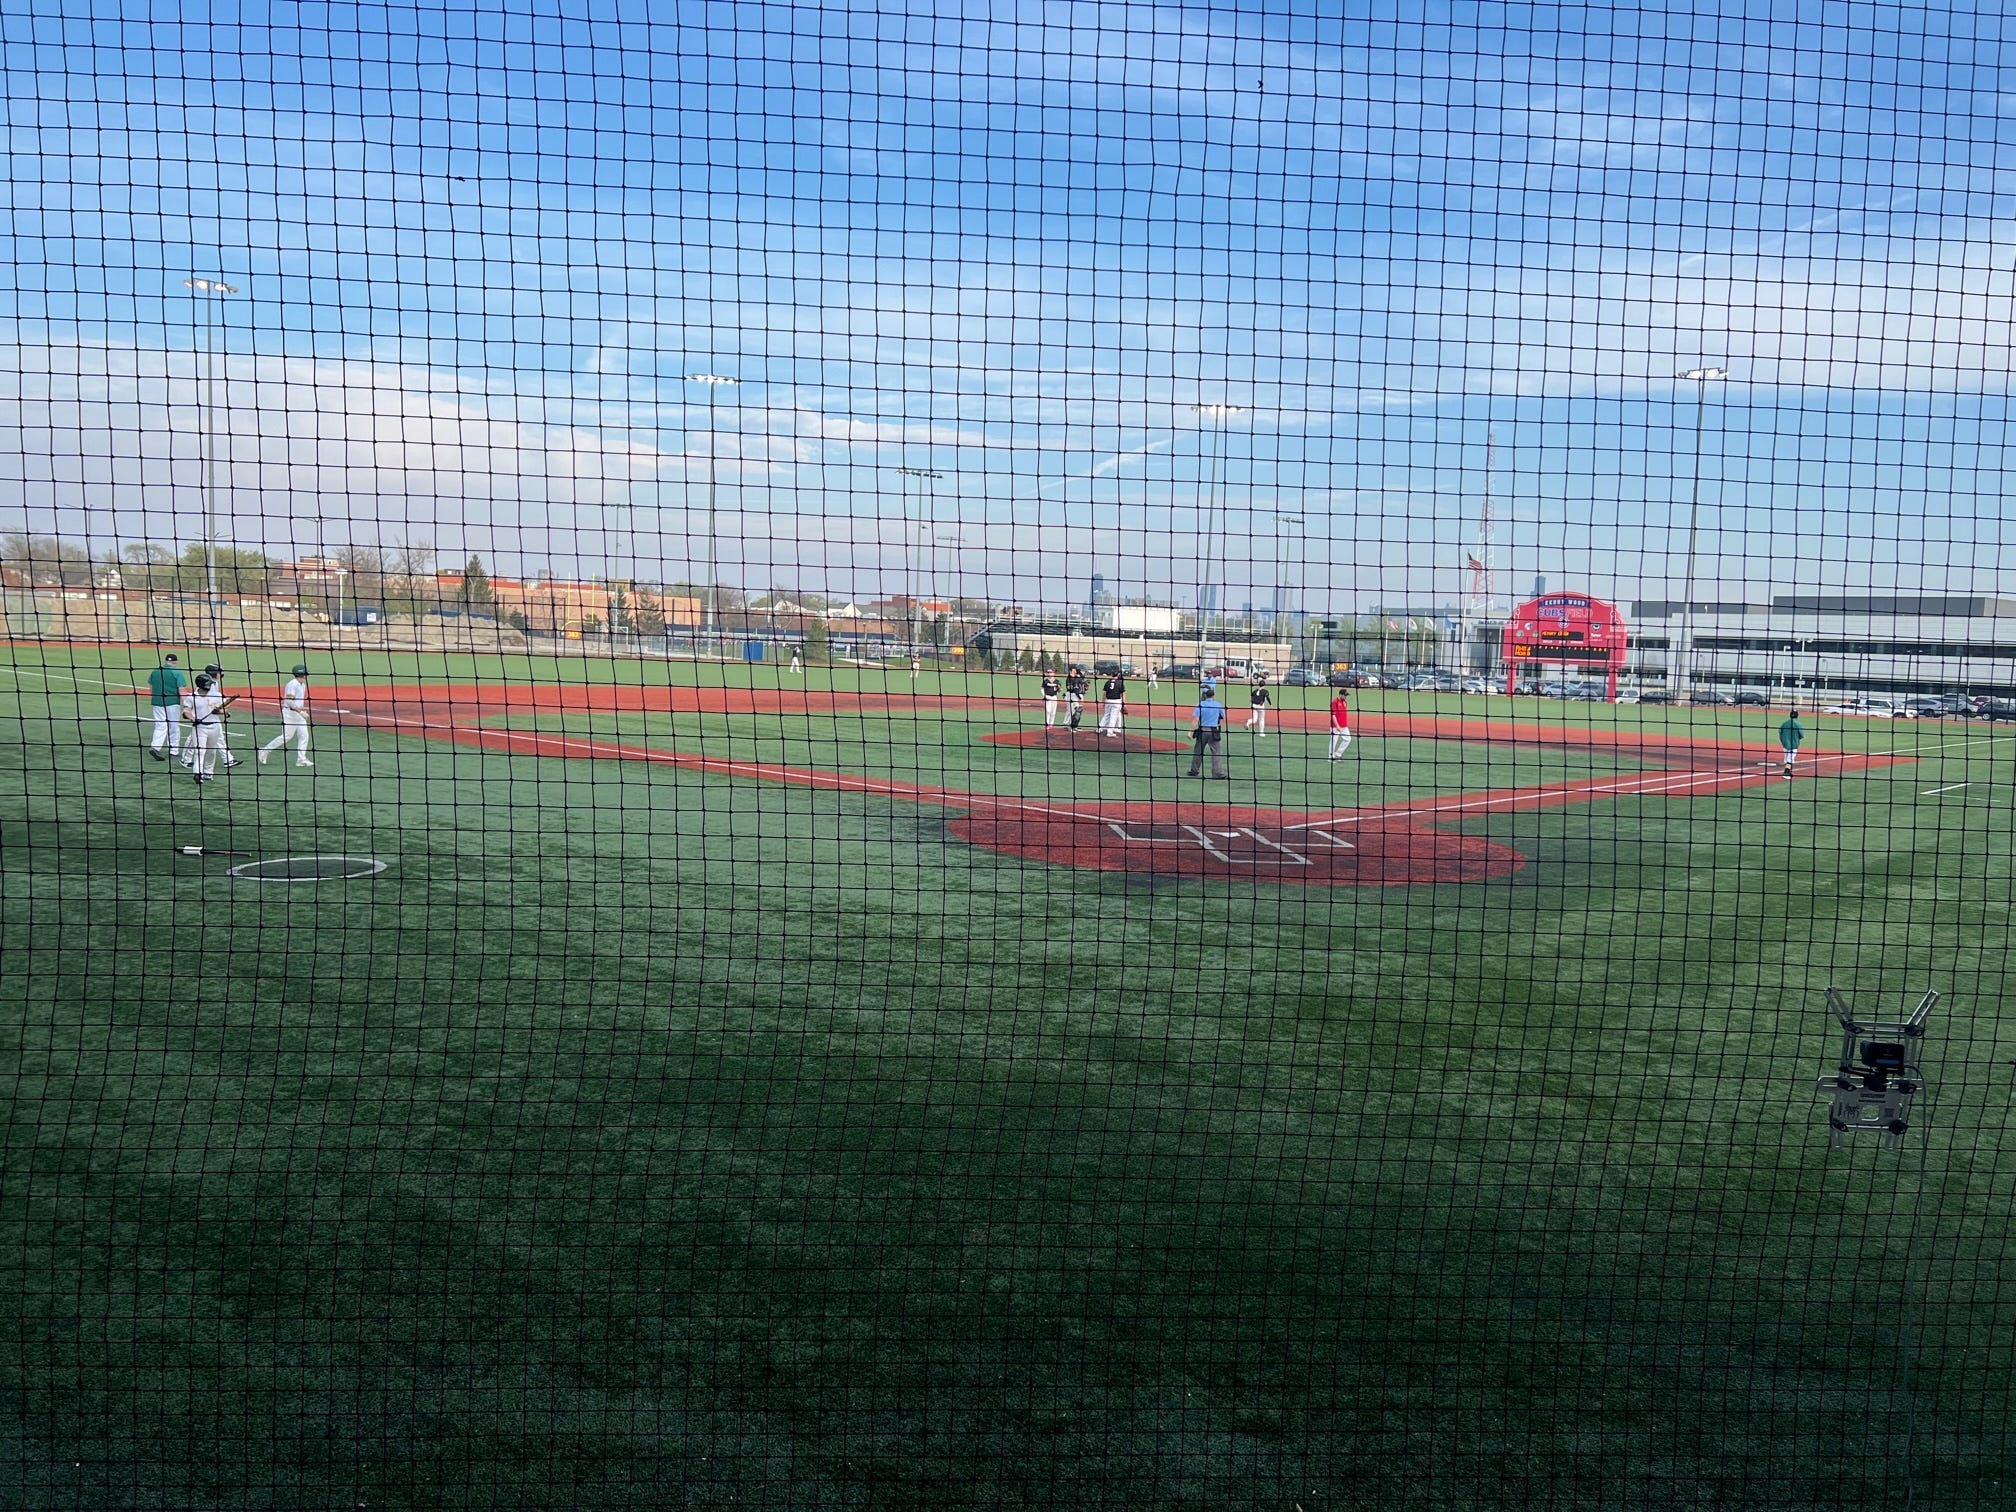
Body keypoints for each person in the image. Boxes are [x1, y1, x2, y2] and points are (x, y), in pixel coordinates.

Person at [182, 662, 240, 769]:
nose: (221, 674)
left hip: (212, 715)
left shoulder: (213, 683)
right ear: (213, 673)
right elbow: (205, 699)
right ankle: (186, 759)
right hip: (200, 715)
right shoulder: (207, 683)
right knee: (193, 739)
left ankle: (228, 759)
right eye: (219, 672)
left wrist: (222, 710)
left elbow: (216, 701)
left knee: (219, 737)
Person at [258, 664, 314, 767]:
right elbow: (289, 702)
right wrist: (300, 712)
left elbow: (297, 701)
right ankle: (264, 751)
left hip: (297, 714)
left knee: (304, 735)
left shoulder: (302, 685)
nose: (307, 675)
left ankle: (301, 759)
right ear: (301, 674)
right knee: (286, 737)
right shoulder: (292, 684)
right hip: (290, 714)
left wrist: (301, 710)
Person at [185, 673, 229, 784]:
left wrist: (220, 711)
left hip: (214, 727)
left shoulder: (217, 695)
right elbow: (186, 711)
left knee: (211, 751)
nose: (210, 686)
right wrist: (193, 719)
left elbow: (225, 708)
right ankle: (197, 773)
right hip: (199, 727)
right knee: (200, 751)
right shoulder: (192, 697)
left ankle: (208, 772)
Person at [146, 653, 185, 761]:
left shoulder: (156, 671)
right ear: (175, 662)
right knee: (173, 727)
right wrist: (186, 704)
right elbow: (181, 690)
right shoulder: (176, 672)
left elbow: (151, 687)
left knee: (160, 726)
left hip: (157, 702)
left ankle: (155, 747)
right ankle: (173, 751)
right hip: (172, 703)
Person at [1187, 686, 1229, 778]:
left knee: (1198, 751)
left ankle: (1194, 771)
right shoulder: (1218, 704)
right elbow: (1223, 716)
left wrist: (1190, 732)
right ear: (1213, 696)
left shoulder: (1200, 704)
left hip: (1202, 730)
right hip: (1214, 731)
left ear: (1205, 695)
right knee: (1216, 752)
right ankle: (1217, 773)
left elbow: (1195, 719)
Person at [1779, 708, 1805, 779]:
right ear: (1797, 716)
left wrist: (1783, 741)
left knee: (1787, 758)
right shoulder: (1798, 724)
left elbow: (1780, 733)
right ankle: (1786, 773)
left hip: (1785, 744)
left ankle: (1787, 770)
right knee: (1790, 759)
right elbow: (1801, 735)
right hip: (1793, 744)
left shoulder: (1784, 723)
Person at [1099, 671, 1127, 737]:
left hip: (1108, 701)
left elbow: (1104, 693)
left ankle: (1099, 728)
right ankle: (1110, 732)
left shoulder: (1107, 682)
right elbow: (1123, 694)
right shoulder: (1120, 683)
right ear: (1118, 675)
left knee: (1106, 715)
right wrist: (1124, 704)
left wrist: (1103, 702)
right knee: (1113, 717)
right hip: (1116, 702)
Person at [1328, 690, 1353, 760]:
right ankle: (1331, 757)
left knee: (1348, 739)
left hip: (1344, 725)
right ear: (1340, 695)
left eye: (1346, 695)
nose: (1346, 697)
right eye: (1345, 695)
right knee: (1334, 741)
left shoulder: (1345, 702)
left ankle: (1338, 753)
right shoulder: (1334, 702)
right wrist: (1337, 725)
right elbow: (1333, 715)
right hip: (1335, 726)